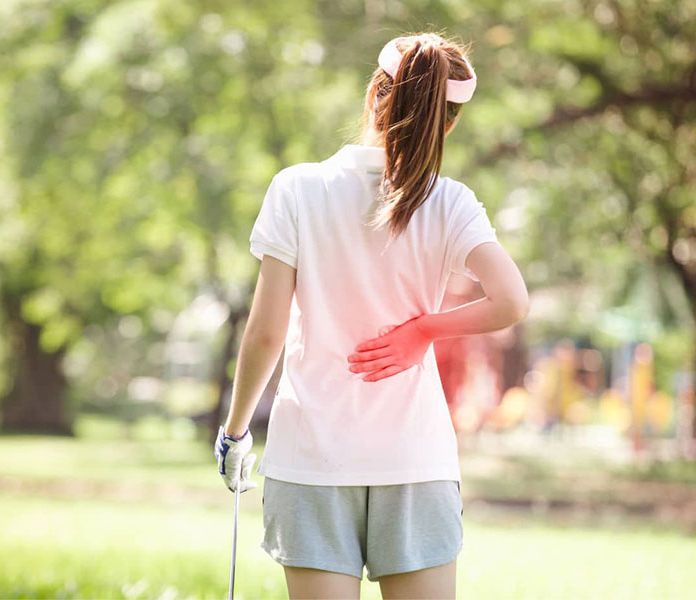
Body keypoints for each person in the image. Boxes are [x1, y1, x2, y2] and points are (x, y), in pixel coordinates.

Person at [214, 31, 529, 600]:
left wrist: (235, 432)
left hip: (311, 460)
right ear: (447, 122)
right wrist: (424, 331)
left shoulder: (296, 189)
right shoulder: (451, 201)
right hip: (415, 458)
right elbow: (512, 300)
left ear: (372, 95)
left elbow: (266, 333)